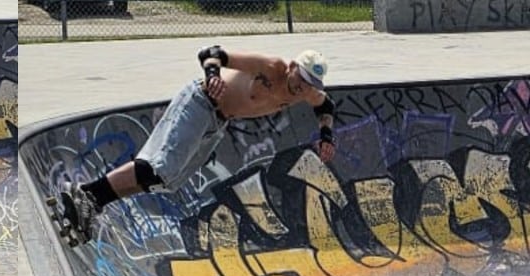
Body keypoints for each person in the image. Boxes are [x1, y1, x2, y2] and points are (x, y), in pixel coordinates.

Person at [61, 47, 337, 245]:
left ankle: (94, 202)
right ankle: (88, 193)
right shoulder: (271, 67)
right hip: (200, 103)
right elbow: (211, 53)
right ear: (291, 67)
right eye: (300, 78)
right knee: (159, 168)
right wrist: (214, 76)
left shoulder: (309, 93)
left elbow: (326, 106)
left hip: (218, 123)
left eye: (309, 84)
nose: (301, 88)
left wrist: (326, 136)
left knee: (170, 182)